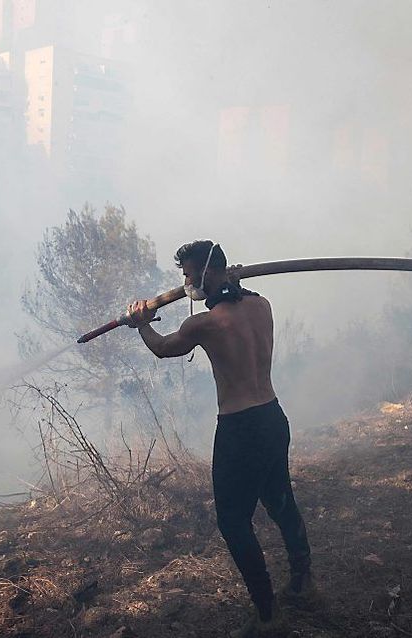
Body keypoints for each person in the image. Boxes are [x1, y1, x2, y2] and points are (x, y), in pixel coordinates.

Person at [126, 240, 312, 636]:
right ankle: (304, 582)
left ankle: (267, 616)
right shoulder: (262, 305)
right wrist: (233, 284)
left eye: (190, 276)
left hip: (240, 428)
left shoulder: (203, 324)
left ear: (208, 274)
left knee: (233, 522)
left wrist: (141, 321)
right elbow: (240, 299)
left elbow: (161, 348)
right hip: (273, 417)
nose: (187, 284)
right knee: (281, 502)